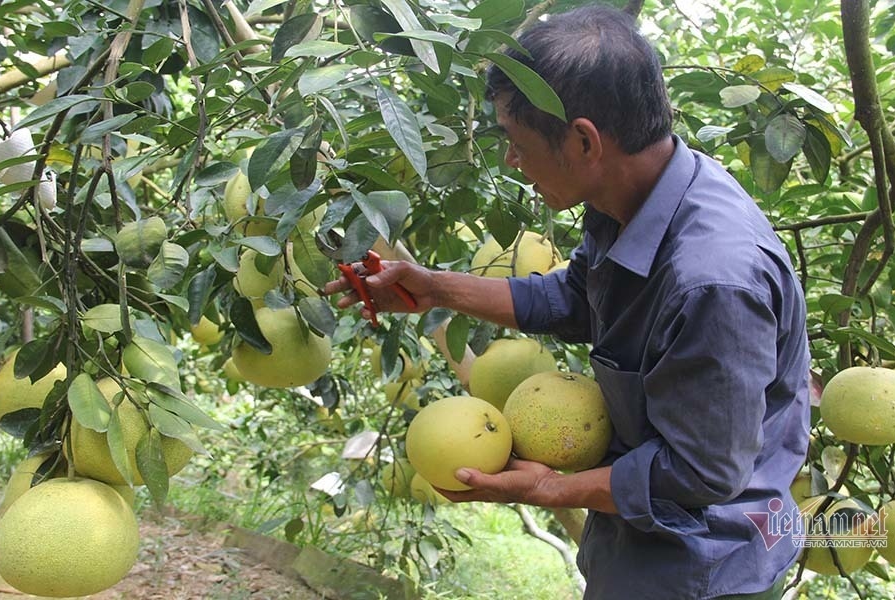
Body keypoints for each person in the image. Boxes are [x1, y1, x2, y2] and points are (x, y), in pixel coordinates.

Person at [325, 5, 810, 599]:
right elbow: (575, 297)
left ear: (584, 140)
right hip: (636, 551)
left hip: (704, 573)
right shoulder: (634, 199)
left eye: (517, 141)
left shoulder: (713, 282)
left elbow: (703, 474)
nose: (512, 161)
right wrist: (434, 289)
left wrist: (548, 489)